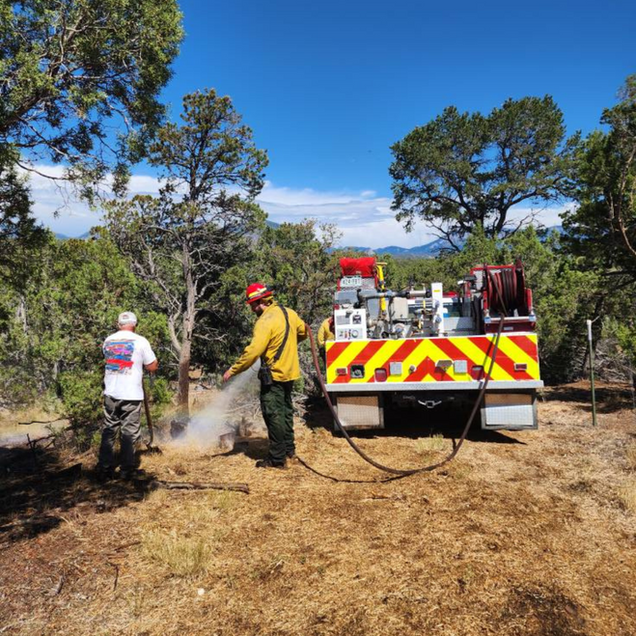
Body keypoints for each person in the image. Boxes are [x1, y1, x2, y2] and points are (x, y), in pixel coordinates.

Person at [223, 283, 307, 469]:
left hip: (275, 375)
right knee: (285, 411)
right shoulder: (289, 313)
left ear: (262, 301)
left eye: (253, 304)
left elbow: (253, 352)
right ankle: (288, 450)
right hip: (290, 372)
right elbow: (303, 332)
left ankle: (277, 459)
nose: (252, 308)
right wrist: (288, 346)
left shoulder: (264, 321)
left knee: (273, 414)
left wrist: (233, 370)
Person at [97, 311, 158, 480]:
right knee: (129, 432)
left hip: (110, 392)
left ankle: (104, 467)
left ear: (119, 324)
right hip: (131, 393)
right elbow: (152, 366)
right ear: (135, 324)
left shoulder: (108, 340)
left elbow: (109, 360)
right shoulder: (141, 341)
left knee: (109, 430)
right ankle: (127, 469)